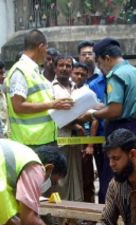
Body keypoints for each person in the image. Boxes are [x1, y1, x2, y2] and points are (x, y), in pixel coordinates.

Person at [79, 38, 136, 206]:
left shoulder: (115, 75)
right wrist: (100, 106)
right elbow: (123, 103)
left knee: (112, 184)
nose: (101, 68)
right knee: (133, 180)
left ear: (107, 58)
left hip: (121, 132)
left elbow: (115, 110)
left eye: (100, 63)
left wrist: (93, 115)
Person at [6, 29, 72, 147]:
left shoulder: (35, 71)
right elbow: (18, 106)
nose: (46, 53)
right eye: (46, 49)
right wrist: (52, 105)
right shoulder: (20, 71)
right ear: (40, 47)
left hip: (44, 139)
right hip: (31, 142)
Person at [52, 55, 84, 202]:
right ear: (55, 68)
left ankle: (75, 218)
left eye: (68, 66)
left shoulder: (76, 87)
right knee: (61, 179)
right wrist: (74, 125)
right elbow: (54, 114)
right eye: (61, 65)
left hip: (76, 139)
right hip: (61, 138)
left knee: (77, 176)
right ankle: (60, 218)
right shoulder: (50, 88)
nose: (64, 68)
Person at [79, 40, 107, 200]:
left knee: (106, 175)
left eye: (90, 53)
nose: (87, 57)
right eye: (84, 54)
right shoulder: (74, 80)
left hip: (101, 133)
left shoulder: (102, 80)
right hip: (82, 136)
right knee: (86, 177)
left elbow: (100, 110)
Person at [71, 62, 97, 203]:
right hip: (70, 141)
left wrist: (90, 145)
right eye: (77, 73)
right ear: (71, 74)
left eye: (83, 74)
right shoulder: (67, 92)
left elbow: (95, 119)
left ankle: (90, 213)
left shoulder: (89, 94)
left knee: (87, 179)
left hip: (85, 142)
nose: (79, 76)